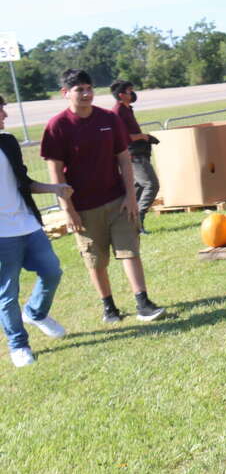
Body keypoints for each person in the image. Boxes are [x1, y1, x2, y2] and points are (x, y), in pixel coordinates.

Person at [41, 69, 165, 324]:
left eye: (89, 88)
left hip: (117, 200)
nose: (87, 94)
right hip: (83, 208)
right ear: (66, 93)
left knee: (130, 250)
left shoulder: (109, 118)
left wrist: (131, 196)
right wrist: (68, 210)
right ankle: (109, 308)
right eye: (80, 90)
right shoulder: (57, 126)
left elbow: (124, 159)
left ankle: (143, 302)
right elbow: (55, 173)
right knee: (95, 260)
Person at [1, 94, 71, 366]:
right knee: (7, 293)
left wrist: (55, 188)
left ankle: (35, 312)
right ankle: (18, 345)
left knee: (52, 271)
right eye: (1, 110)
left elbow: (23, 181)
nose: (5, 116)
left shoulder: (7, 142)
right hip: (1, 235)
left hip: (27, 224)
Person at [109, 79, 159, 231]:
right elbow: (124, 137)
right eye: (130, 91)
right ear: (121, 95)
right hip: (132, 155)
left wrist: (144, 138)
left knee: (137, 188)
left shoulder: (127, 109)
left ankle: (130, 224)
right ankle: (139, 218)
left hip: (139, 152)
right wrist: (143, 137)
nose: (133, 93)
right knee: (151, 185)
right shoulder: (117, 112)